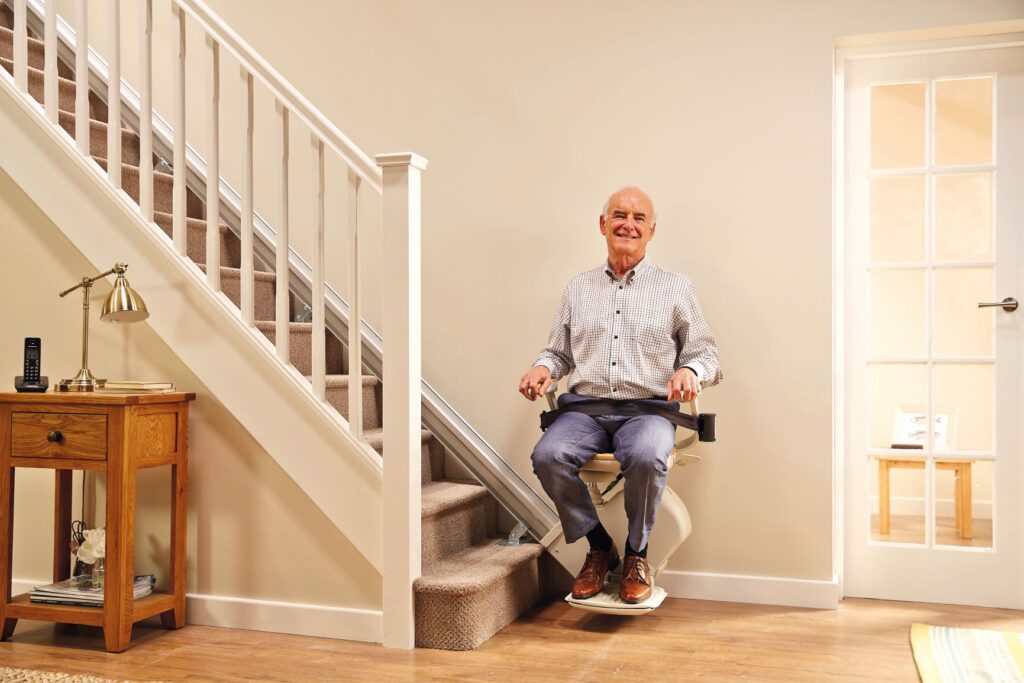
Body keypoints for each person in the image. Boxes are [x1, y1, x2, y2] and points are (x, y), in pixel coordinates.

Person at [518, 187, 722, 604]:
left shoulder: (675, 288)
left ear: (651, 231)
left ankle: (636, 556)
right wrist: (543, 367)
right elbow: (558, 353)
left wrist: (689, 369)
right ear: (602, 224)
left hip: (648, 411)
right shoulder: (578, 288)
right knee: (547, 456)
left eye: (638, 218)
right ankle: (598, 546)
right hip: (585, 410)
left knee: (647, 455)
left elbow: (708, 355)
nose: (628, 224)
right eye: (619, 215)